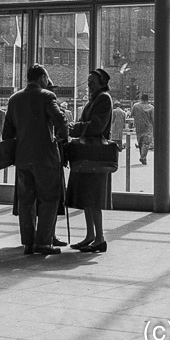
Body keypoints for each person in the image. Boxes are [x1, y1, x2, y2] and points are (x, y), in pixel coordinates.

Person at [3, 63, 68, 255]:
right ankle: (44, 242)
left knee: (26, 201)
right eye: (47, 79)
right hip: (45, 157)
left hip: (22, 158)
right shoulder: (47, 96)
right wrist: (63, 136)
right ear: (42, 78)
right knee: (49, 199)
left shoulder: (14, 99)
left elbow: (7, 132)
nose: (48, 82)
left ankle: (28, 243)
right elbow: (60, 120)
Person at [67, 68, 113, 252]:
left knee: (93, 198)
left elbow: (97, 125)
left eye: (92, 83)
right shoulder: (94, 100)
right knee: (88, 197)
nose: (89, 86)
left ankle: (99, 237)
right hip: (89, 154)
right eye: (88, 83)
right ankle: (91, 236)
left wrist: (75, 128)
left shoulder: (103, 99)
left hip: (94, 154)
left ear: (102, 83)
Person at [130, 92, 154, 164]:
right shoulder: (151, 107)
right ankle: (143, 157)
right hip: (148, 127)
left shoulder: (135, 106)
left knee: (140, 142)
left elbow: (132, 114)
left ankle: (143, 157)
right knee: (146, 143)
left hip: (139, 126)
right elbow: (153, 119)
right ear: (147, 100)